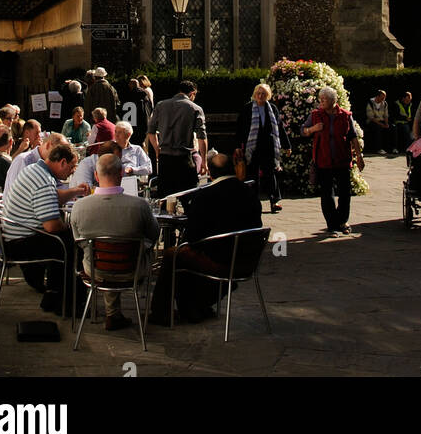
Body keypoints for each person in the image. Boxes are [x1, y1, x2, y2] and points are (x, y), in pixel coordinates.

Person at [148, 151, 262, 325]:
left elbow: (191, 236)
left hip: (220, 263)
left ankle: (160, 312)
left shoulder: (206, 196)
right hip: (246, 260)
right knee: (187, 255)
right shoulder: (250, 194)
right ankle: (194, 306)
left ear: (210, 173)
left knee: (174, 254)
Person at [71, 151, 160, 331]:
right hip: (132, 270)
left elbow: (78, 240)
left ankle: (113, 313)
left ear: (96, 176)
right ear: (121, 174)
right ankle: (125, 313)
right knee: (134, 251)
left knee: (102, 253)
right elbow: (154, 235)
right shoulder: (139, 206)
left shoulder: (79, 206)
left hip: (96, 271)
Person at [0, 139, 85, 312]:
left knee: (67, 240)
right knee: (74, 244)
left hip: (13, 238)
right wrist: (71, 227)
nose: (73, 171)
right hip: (20, 243)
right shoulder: (44, 180)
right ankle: (66, 303)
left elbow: (54, 196)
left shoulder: (35, 170)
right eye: (72, 166)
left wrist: (75, 191)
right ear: (62, 162)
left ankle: (55, 296)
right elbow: (52, 226)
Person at [301, 85, 364, 236]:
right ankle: (332, 225)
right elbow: (303, 130)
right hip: (323, 160)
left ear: (333, 101)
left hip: (342, 160)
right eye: (320, 99)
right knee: (327, 194)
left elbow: (353, 136)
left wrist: (359, 156)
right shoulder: (315, 115)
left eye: (324, 99)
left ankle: (342, 221)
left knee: (344, 193)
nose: (321, 101)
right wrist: (313, 129)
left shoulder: (345, 115)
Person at [234, 83, 291, 213]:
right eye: (258, 93)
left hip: (268, 145)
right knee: (253, 174)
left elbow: (279, 127)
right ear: (255, 94)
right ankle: (252, 201)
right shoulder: (247, 109)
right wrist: (238, 146)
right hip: (253, 146)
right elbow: (240, 129)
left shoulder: (272, 109)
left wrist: (287, 145)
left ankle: (274, 201)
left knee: (270, 174)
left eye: (263, 94)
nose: (260, 96)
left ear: (268, 95)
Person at [147, 80, 208, 197]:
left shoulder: (161, 105)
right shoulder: (195, 108)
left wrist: (157, 149)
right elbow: (202, 137)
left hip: (165, 159)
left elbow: (151, 131)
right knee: (188, 194)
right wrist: (204, 162)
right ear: (192, 93)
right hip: (184, 158)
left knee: (165, 197)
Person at [364, 89, 394, 154]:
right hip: (372, 121)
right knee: (377, 128)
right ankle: (378, 148)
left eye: (384, 98)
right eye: (382, 97)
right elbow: (370, 117)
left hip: (382, 121)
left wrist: (386, 124)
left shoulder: (385, 103)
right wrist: (381, 124)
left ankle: (391, 148)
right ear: (377, 96)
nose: (383, 99)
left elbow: (386, 115)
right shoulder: (370, 102)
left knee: (392, 127)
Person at [127, 78, 152, 147]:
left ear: (130, 86)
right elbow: (150, 107)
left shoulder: (129, 95)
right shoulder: (145, 94)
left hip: (133, 123)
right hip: (144, 122)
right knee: (141, 142)